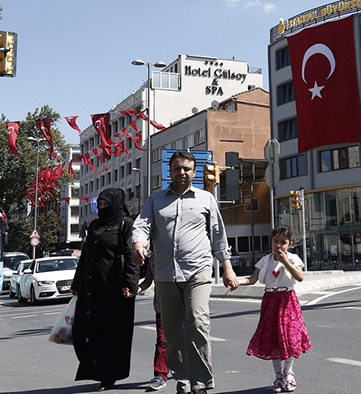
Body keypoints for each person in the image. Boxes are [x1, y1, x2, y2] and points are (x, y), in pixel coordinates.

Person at [132, 150, 239, 394]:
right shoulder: (155, 200)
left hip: (198, 271)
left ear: (193, 172)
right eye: (177, 168)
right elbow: (142, 226)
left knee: (198, 323)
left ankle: (200, 383)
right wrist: (139, 244)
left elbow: (218, 235)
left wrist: (227, 268)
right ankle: (181, 377)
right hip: (166, 275)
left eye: (186, 169)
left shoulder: (206, 199)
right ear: (169, 171)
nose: (182, 172)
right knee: (172, 332)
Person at [71, 188, 139, 391]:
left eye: (106, 204)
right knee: (87, 330)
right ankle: (95, 370)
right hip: (92, 287)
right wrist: (77, 284)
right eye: (99, 204)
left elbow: (130, 256)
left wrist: (130, 284)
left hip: (115, 289)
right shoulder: (95, 225)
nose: (102, 208)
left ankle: (108, 375)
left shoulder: (126, 224)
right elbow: (85, 257)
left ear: (116, 204)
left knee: (113, 333)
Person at [236, 225, 312, 393]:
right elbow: (252, 279)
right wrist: (236, 281)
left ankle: (288, 373)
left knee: (290, 336)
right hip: (270, 300)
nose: (278, 245)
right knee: (274, 338)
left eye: (283, 242)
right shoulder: (265, 260)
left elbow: (299, 277)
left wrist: (285, 261)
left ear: (290, 244)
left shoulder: (294, 258)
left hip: (287, 300)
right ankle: (278, 376)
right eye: (275, 241)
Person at [138, 255, 170, 391]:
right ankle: (160, 374)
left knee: (184, 339)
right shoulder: (152, 260)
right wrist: (136, 289)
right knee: (162, 340)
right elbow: (147, 281)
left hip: (181, 306)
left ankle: (186, 370)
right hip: (161, 307)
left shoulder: (177, 254)